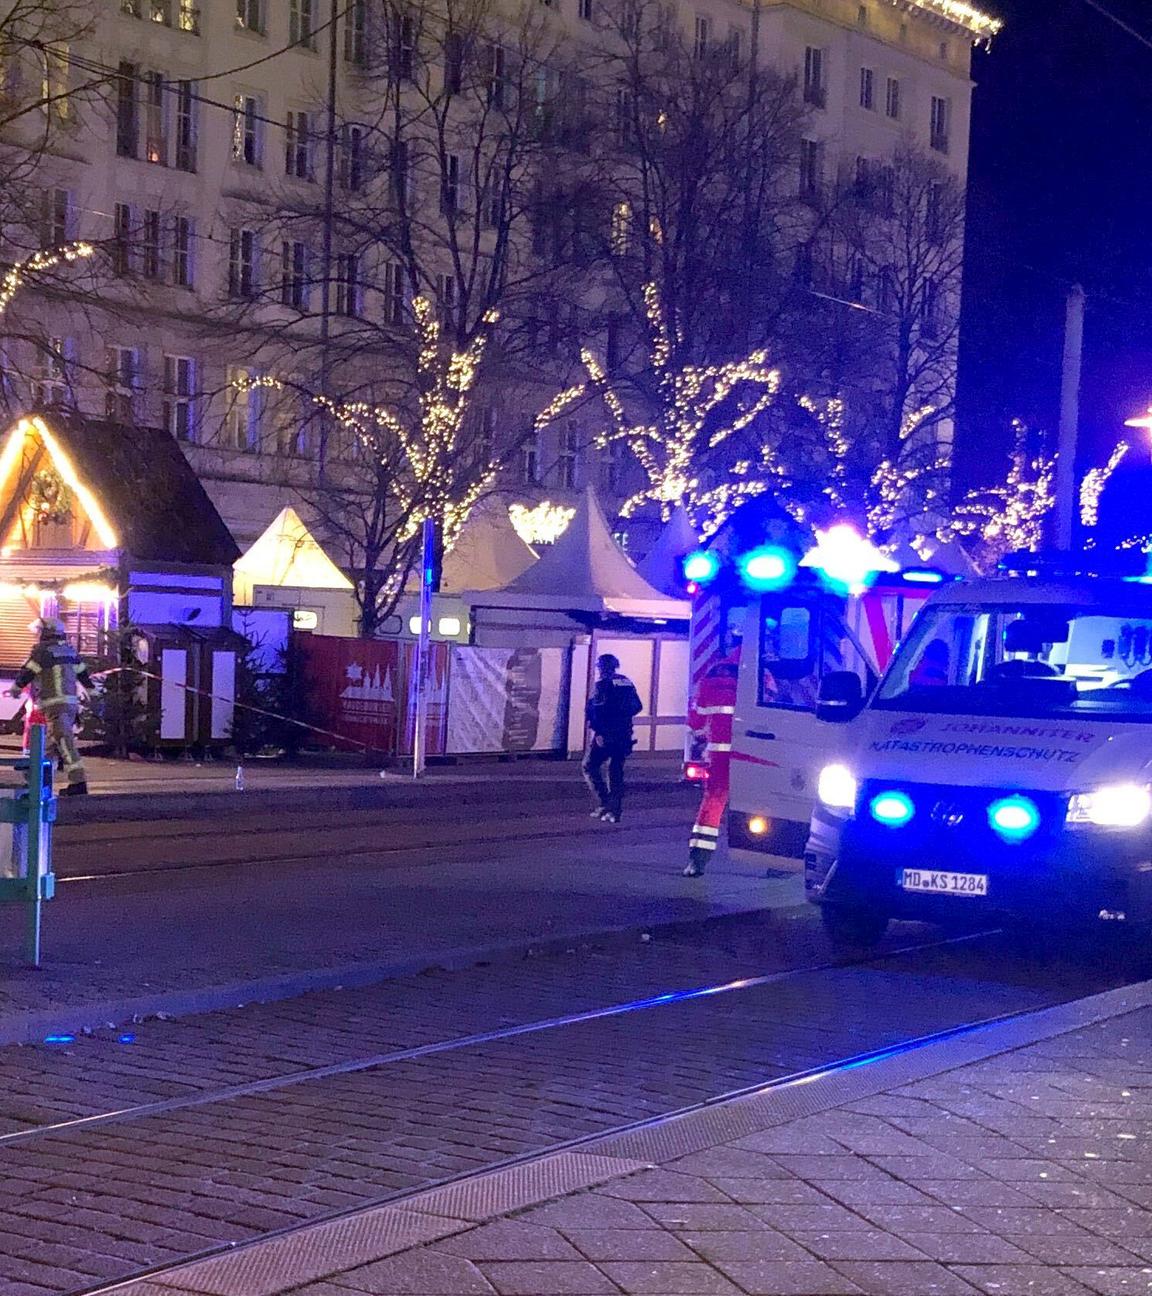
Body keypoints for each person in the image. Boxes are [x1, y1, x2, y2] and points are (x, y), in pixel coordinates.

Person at [9, 617, 94, 795]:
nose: (37, 635)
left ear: (46, 633)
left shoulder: (42, 652)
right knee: (48, 746)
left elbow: (28, 672)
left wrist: (16, 689)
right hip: (69, 706)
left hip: (54, 706)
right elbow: (82, 673)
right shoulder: (69, 651)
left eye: (39, 631)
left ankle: (78, 783)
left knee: (64, 742)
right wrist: (92, 691)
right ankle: (38, 782)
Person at [684, 657, 738, 877]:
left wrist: (700, 734)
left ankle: (697, 861)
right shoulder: (762, 674)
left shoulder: (712, 676)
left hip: (719, 754)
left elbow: (695, 721)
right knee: (764, 803)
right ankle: (776, 861)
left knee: (713, 803)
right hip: (754, 752)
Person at [583, 653, 642, 823]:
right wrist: (623, 718)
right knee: (616, 770)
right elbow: (637, 706)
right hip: (624, 734)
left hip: (607, 734)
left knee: (589, 766)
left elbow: (595, 711)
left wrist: (599, 731)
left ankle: (604, 803)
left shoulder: (602, 685)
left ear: (601, 668)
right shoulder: (626, 682)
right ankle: (614, 811)